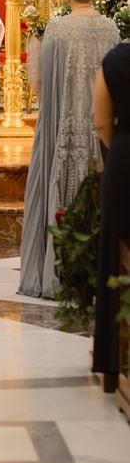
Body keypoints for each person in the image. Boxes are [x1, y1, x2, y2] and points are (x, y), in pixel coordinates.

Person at [18, 0, 119, 298]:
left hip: (63, 123)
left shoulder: (57, 30)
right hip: (102, 131)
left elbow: (44, 86)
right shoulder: (111, 29)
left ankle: (60, 269)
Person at [92, 40, 130, 385]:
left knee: (116, 249)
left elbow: (102, 122)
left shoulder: (116, 60)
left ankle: (114, 359)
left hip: (125, 163)